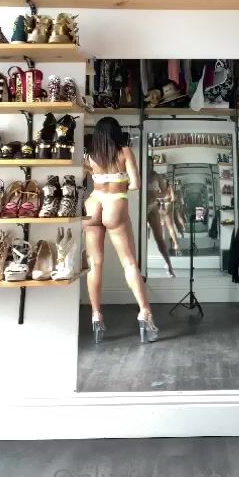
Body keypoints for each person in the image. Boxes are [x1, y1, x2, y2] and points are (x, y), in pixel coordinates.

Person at [84, 117, 158, 344]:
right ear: (116, 133)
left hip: (93, 203)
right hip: (115, 202)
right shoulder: (124, 151)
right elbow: (135, 184)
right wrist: (120, 179)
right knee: (129, 263)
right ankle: (145, 313)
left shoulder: (90, 155)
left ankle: (96, 316)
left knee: (94, 264)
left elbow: (85, 175)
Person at [147, 159, 176, 277]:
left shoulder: (157, 176)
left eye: (150, 164)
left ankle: (169, 266)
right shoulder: (139, 173)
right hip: (139, 207)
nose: (148, 166)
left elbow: (164, 193)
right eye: (147, 164)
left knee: (159, 238)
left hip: (152, 206)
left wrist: (157, 194)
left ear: (152, 165)